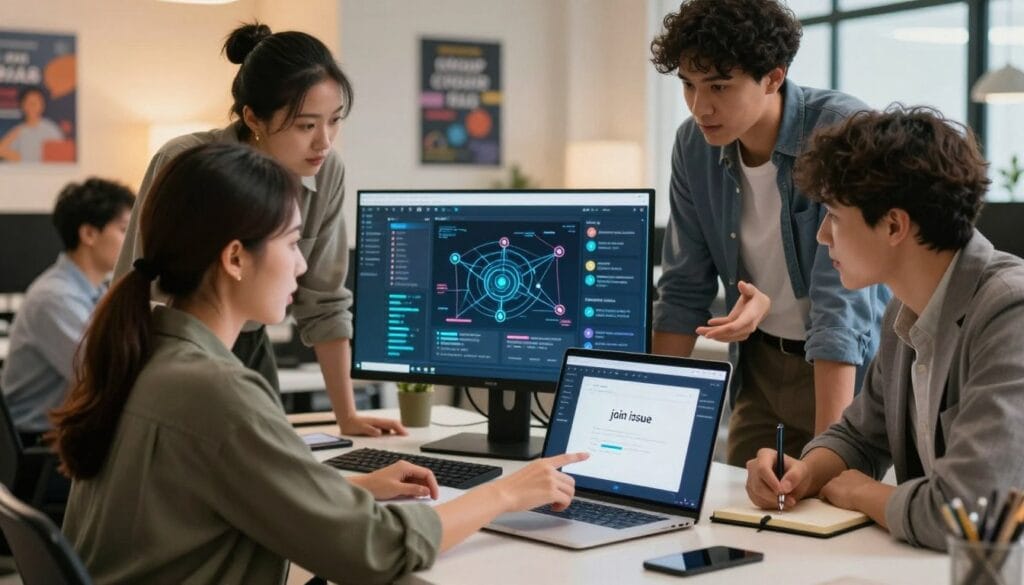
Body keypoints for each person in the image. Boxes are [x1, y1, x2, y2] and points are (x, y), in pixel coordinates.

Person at [55, 143, 588, 584]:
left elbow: (215, 495)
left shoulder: (147, 354)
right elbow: (372, 550)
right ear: (235, 258)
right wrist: (503, 494)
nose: (304, 264)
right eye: (291, 242)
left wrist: (350, 490)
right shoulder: (214, 391)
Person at [744, 106, 1024, 551]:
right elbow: (858, 434)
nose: (822, 237)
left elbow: (973, 513)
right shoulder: (906, 310)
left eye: (834, 216)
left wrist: (860, 492)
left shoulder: (1010, 312)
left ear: (894, 225)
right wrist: (804, 473)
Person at [113, 22, 402, 436]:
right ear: (254, 118)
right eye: (306, 126)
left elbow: (323, 301)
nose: (324, 142)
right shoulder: (190, 164)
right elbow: (135, 287)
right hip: (168, 349)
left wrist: (348, 417)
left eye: (334, 121)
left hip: (247, 342)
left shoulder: (326, 171)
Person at [648, 0, 890, 465]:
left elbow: (841, 306)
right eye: (688, 85)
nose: (701, 106)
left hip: (846, 369)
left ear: (773, 78)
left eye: (719, 85)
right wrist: (654, 424)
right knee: (738, 517)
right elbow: (682, 288)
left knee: (826, 517)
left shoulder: (840, 130)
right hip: (759, 368)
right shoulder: (692, 146)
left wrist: (827, 462)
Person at [2, 178, 134, 445]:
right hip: (36, 446)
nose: (132, 241)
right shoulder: (54, 297)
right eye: (124, 230)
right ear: (89, 234)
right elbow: (102, 374)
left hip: (65, 436)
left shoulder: (99, 290)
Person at [0, 87, 64, 162]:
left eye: (35, 103)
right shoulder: (17, 131)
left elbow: (59, 159)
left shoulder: (52, 130)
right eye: (28, 102)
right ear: (22, 105)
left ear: (42, 106)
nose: (31, 106)